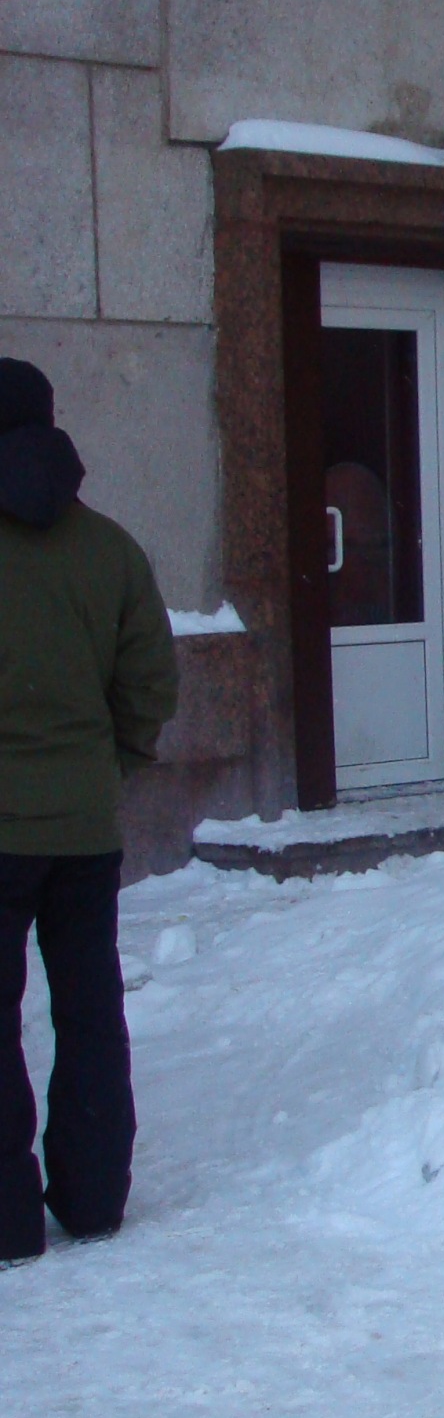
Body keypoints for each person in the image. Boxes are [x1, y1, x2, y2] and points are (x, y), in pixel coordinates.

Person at [0, 359, 178, 1267]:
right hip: (82, 827)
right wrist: (112, 764)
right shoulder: (108, 548)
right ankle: (95, 1195)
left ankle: (6, 1219)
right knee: (90, 1008)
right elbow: (150, 679)